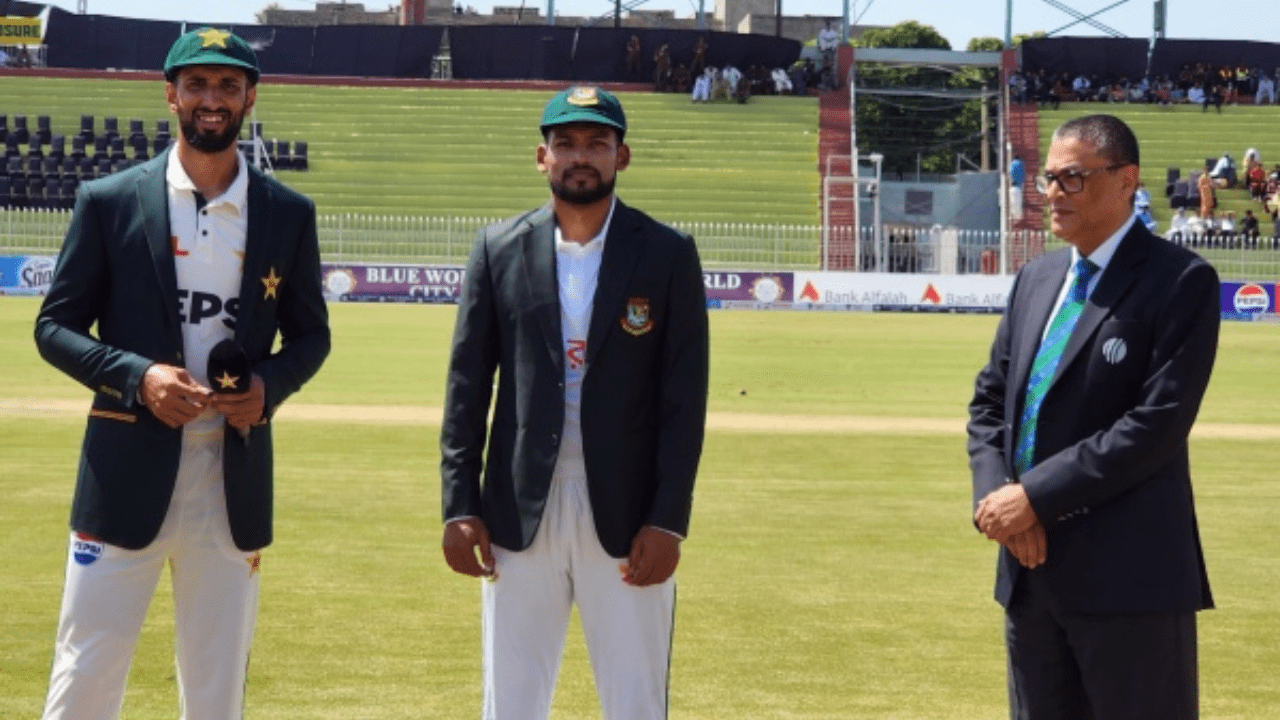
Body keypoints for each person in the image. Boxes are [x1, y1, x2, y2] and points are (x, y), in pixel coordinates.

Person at [33, 27, 330, 719]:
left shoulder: (287, 213)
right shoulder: (109, 201)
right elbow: (53, 327)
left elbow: (312, 336)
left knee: (216, 689)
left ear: (251, 97)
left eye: (228, 85)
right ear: (170, 95)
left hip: (232, 483)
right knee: (84, 678)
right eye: (196, 84)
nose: (211, 99)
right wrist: (139, 377)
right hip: (122, 474)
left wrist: (269, 388)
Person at [440, 85, 709, 720]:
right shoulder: (498, 248)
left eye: (596, 143)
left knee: (635, 701)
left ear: (623, 156)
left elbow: (684, 399)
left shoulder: (667, 253)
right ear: (543, 157)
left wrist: (668, 520)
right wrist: (459, 505)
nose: (580, 156)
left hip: (628, 515)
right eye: (566, 144)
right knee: (511, 702)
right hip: (518, 511)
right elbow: (466, 389)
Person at [968, 114, 1219, 720]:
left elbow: (1153, 426)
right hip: (1030, 576)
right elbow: (989, 404)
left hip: (1129, 582)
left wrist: (1034, 498)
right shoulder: (1037, 277)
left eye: (1072, 178)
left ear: (1126, 179)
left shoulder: (1181, 281)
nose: (1052, 193)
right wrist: (1001, 500)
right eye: (1049, 178)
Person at [1009, 155, 1025, 221]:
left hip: (1013, 184)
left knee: (1013, 201)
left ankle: (1013, 215)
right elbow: (1023, 173)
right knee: (1019, 200)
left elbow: (1010, 172)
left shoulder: (1012, 163)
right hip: (1019, 184)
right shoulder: (1021, 164)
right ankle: (1018, 216)